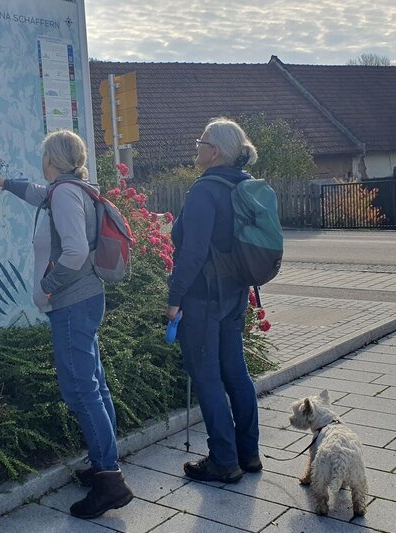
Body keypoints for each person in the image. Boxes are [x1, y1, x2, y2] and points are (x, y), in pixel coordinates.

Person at [0, 130, 133, 518]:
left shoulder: (66, 195)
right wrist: (6, 184)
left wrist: (48, 287)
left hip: (72, 304)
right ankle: (104, 461)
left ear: (51, 159)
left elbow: (74, 252)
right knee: (94, 387)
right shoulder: (69, 188)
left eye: (43, 156)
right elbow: (39, 193)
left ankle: (110, 481)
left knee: (81, 392)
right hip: (84, 301)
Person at [166, 117, 262, 483]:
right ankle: (248, 452)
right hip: (236, 293)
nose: (197, 147)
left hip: (204, 296)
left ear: (215, 151)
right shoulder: (245, 185)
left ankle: (224, 459)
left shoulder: (206, 190)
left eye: (200, 141)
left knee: (206, 376)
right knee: (235, 371)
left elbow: (192, 251)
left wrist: (175, 297)